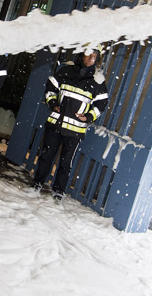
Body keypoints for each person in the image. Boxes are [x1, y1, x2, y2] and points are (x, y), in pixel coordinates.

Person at [30, 47, 109, 202]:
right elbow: (51, 88)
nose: (90, 59)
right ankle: (37, 184)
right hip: (56, 124)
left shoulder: (98, 80)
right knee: (46, 156)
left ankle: (58, 192)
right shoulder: (66, 70)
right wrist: (52, 103)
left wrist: (88, 117)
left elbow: (101, 104)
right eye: (88, 55)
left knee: (66, 163)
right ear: (82, 54)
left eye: (94, 57)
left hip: (75, 129)